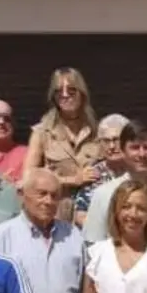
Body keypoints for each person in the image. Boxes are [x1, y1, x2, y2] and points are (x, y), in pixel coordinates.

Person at [82, 121, 147, 244]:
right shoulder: (104, 194)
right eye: (135, 147)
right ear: (122, 151)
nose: (142, 154)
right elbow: (92, 245)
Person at [23, 67, 102, 220]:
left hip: (92, 213)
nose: (65, 95)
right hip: (56, 212)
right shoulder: (42, 132)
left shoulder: (98, 131)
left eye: (71, 90)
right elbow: (28, 176)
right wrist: (73, 180)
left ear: (82, 94)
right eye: (59, 91)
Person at [72, 114, 130, 227]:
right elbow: (80, 215)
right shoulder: (93, 174)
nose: (112, 146)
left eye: (116, 140)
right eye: (106, 141)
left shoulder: (138, 171)